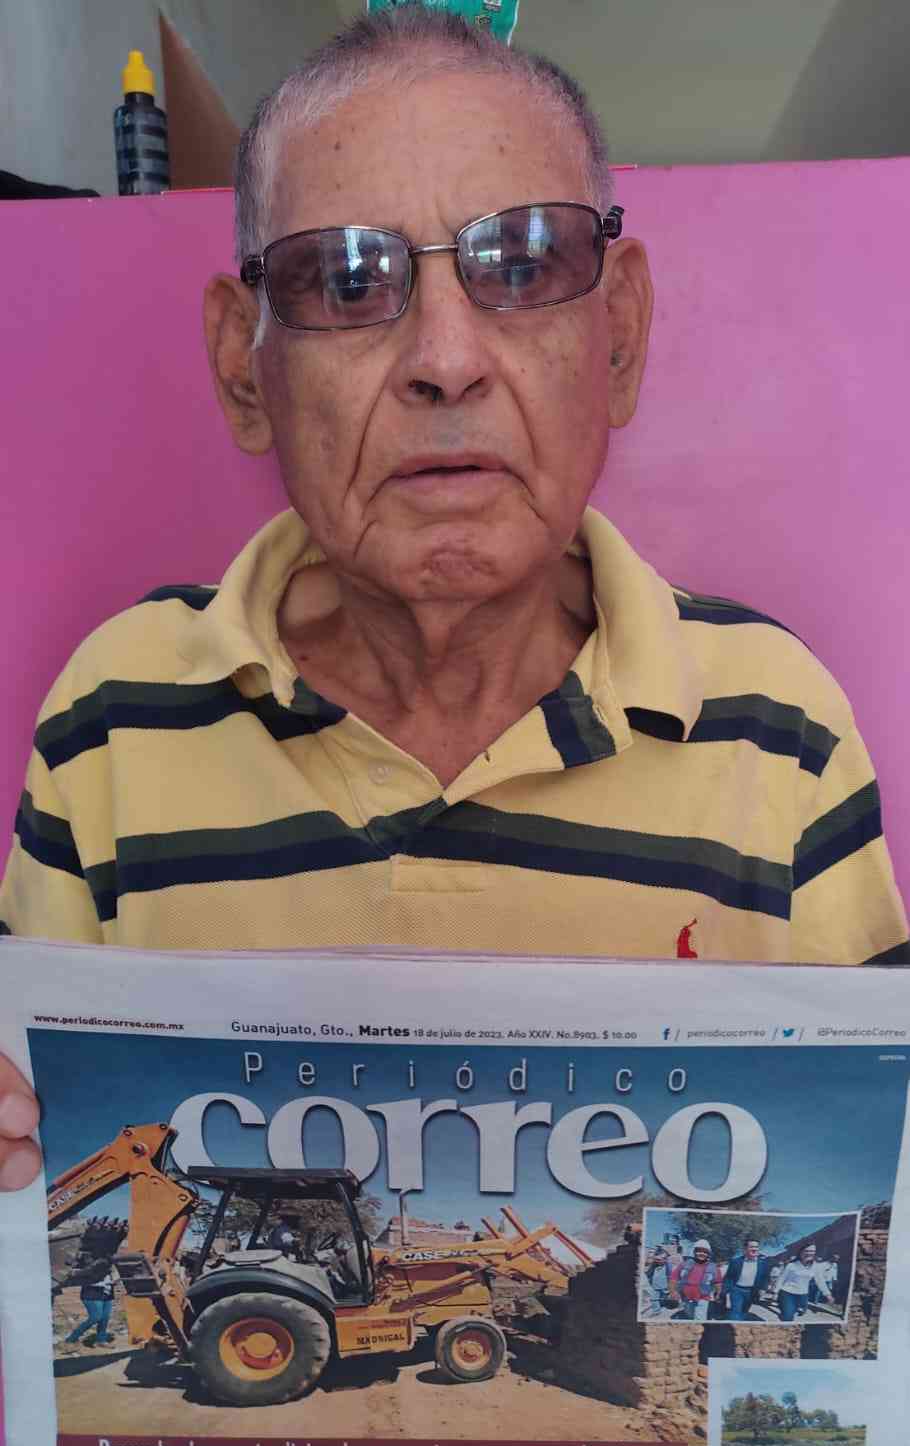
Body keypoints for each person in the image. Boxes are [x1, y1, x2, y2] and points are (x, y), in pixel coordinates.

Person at [0, 6, 907, 1193]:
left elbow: (870, 1170)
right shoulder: (114, 715)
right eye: (345, 279)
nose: (445, 357)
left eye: (522, 266)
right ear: (243, 368)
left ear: (618, 338)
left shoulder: (777, 728)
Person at [62, 1252, 117, 1347]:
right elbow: (85, 1279)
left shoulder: (106, 1265)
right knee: (95, 1317)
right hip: (92, 1295)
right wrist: (103, 1283)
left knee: (104, 1318)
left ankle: (101, 1340)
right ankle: (71, 1339)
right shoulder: (88, 1266)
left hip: (107, 1294)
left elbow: (110, 1276)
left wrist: (112, 1281)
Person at [777, 1243, 832, 1321]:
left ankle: (785, 1315)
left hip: (803, 1295)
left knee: (796, 1312)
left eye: (812, 1251)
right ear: (801, 1252)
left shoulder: (815, 1266)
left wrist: (827, 1294)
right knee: (788, 1316)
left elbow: (820, 1281)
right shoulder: (791, 1265)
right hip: (787, 1292)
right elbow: (781, 1278)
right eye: (807, 1251)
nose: (809, 1253)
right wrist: (775, 1292)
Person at [669, 1239, 720, 1322]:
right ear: (694, 1252)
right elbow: (673, 1278)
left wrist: (718, 1293)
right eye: (699, 1251)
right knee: (689, 1316)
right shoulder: (684, 1264)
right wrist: (673, 1292)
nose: (702, 1253)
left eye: (705, 1252)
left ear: (708, 1254)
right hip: (686, 1298)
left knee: (699, 1319)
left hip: (703, 1298)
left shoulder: (713, 1267)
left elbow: (718, 1282)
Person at [722, 1240, 770, 1320]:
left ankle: (738, 1324)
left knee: (744, 1311)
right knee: (735, 1312)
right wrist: (724, 1291)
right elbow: (729, 1277)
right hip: (737, 1290)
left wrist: (763, 1288)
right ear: (745, 1249)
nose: (754, 1249)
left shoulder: (763, 1263)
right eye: (751, 1247)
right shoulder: (735, 1262)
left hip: (751, 1291)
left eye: (756, 1247)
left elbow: (766, 1277)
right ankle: (732, 1325)